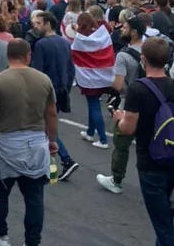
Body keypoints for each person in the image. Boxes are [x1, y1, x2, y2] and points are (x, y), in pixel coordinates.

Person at [112, 36, 174, 246]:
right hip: (171, 156)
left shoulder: (138, 89)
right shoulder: (172, 84)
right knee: (166, 219)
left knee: (164, 226)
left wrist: (118, 118)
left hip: (150, 161)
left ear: (143, 59)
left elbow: (128, 128)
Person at [0, 39, 58, 246]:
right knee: (34, 197)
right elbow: (51, 113)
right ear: (28, 55)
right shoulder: (44, 80)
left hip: (6, 143)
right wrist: (52, 141)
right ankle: (32, 245)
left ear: (8, 56)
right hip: (36, 142)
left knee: (1, 194)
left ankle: (1, 235)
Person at [97, 16, 146, 194]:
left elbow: (118, 85)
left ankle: (116, 180)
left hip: (129, 104)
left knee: (121, 144)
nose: (121, 29)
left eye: (125, 27)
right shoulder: (149, 49)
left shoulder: (123, 55)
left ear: (134, 32)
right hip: (151, 103)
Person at [31, 12, 78, 180]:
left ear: (48, 24)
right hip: (61, 89)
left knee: (47, 128)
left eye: (38, 23)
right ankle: (50, 165)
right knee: (49, 126)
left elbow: (38, 72)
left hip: (47, 91)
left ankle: (66, 160)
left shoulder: (41, 44)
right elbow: (71, 68)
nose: (35, 26)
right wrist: (67, 87)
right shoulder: (64, 42)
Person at [71, 11, 114, 149]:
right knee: (92, 105)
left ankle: (103, 139)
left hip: (89, 79)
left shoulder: (80, 38)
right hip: (103, 76)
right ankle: (90, 132)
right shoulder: (101, 34)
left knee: (94, 106)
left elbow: (74, 52)